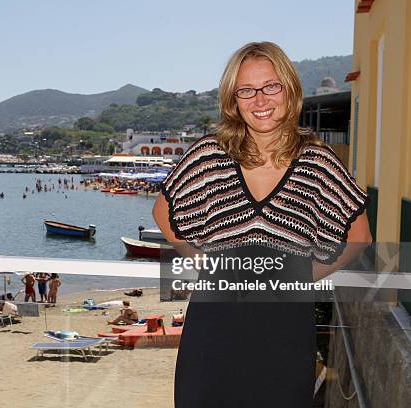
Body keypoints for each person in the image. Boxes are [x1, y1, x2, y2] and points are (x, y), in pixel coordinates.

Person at [152, 42, 371, 408]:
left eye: (271, 86)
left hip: (284, 332)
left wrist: (299, 274)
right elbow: (164, 213)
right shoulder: (209, 155)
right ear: (233, 100)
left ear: (289, 88)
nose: (260, 100)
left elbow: (359, 237)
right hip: (213, 328)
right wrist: (208, 264)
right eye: (247, 90)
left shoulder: (317, 161)